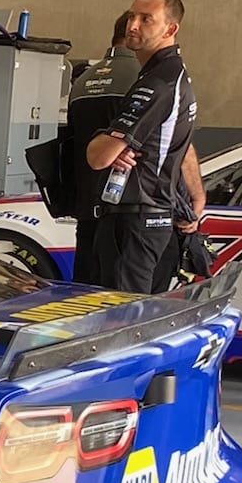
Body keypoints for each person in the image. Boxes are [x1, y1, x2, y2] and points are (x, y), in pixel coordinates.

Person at [83, 0, 204, 293]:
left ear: (170, 28)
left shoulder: (158, 83)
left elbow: (99, 158)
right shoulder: (171, 75)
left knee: (122, 320)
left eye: (146, 18)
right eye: (131, 16)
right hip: (149, 219)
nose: (132, 25)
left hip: (136, 221)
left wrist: (102, 138)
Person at [62, 14, 141, 286]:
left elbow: (72, 139)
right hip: (126, 209)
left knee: (84, 291)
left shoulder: (83, 80)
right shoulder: (144, 79)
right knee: (122, 300)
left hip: (86, 204)